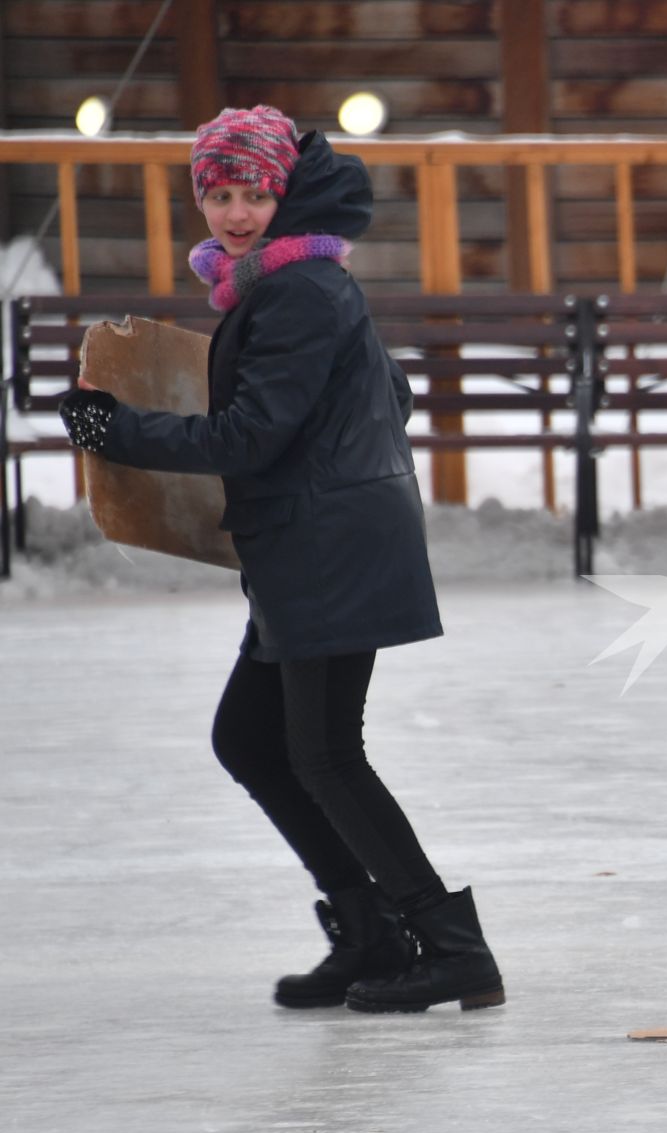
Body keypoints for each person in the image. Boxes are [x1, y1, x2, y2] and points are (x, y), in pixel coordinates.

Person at [57, 105, 503, 1015]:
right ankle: (373, 929)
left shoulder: (301, 290)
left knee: (327, 753)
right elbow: (390, 391)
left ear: (284, 193)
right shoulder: (292, 284)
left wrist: (115, 430)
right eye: (218, 193)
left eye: (253, 193)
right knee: (252, 740)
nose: (234, 213)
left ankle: (452, 947)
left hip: (328, 548)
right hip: (313, 543)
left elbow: (253, 435)